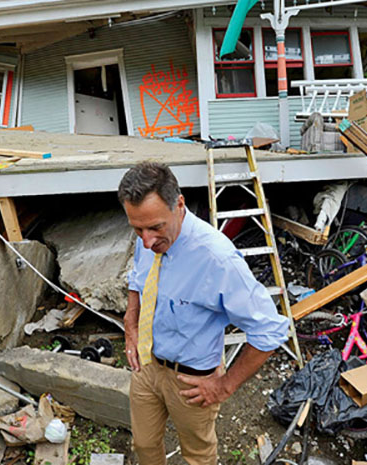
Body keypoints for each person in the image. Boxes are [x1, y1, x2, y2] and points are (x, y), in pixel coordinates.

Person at [118, 162, 289, 465]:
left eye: (155, 227)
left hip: (191, 379)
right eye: (137, 229)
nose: (146, 241)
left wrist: (225, 385)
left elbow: (269, 331)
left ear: (179, 204)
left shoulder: (217, 259)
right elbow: (138, 277)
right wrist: (131, 321)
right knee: (143, 444)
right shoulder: (149, 235)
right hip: (146, 365)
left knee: (197, 455)